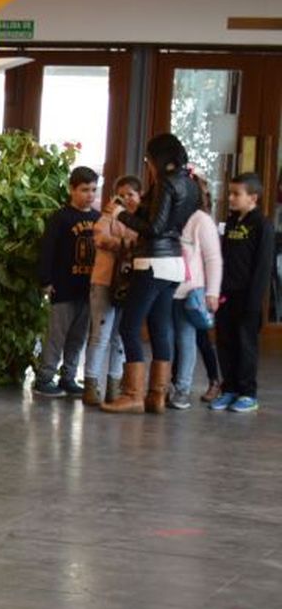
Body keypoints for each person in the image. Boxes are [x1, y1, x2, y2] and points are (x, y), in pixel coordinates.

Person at [102, 134, 200, 414]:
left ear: (157, 159)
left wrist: (120, 214)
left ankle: (132, 393)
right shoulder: (190, 185)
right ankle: (156, 395)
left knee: (129, 326)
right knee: (160, 327)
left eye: (148, 160)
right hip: (174, 264)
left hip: (152, 262)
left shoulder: (165, 184)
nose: (148, 165)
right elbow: (167, 224)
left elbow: (154, 228)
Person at [33, 167, 101, 397]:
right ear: (72, 189)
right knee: (56, 335)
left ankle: (68, 376)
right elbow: (48, 251)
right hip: (63, 287)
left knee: (78, 337)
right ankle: (45, 377)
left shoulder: (98, 219)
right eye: (84, 190)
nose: (90, 194)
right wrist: (46, 280)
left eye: (93, 189)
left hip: (88, 289)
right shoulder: (60, 218)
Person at [213, 172, 275, 413]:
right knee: (225, 341)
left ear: (253, 198)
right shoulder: (230, 222)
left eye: (236, 194)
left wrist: (254, 300)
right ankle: (229, 389)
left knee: (245, 344)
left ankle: (248, 393)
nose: (230, 198)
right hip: (227, 293)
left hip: (247, 297)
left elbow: (262, 266)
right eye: (230, 193)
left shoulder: (262, 224)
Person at [85, 176, 142, 406]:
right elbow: (100, 238)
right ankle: (90, 385)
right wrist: (126, 244)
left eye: (131, 194)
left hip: (131, 284)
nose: (126, 199)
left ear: (139, 196)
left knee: (121, 336)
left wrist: (120, 242)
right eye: (122, 195)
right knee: (100, 335)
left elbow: (142, 242)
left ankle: (114, 387)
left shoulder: (142, 220)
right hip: (104, 281)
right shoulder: (107, 216)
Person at [169, 188, 222, 410]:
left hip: (190, 292)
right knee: (167, 341)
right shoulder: (169, 215)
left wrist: (212, 292)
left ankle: (182, 389)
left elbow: (212, 258)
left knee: (186, 340)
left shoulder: (201, 220)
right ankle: (165, 386)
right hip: (165, 289)